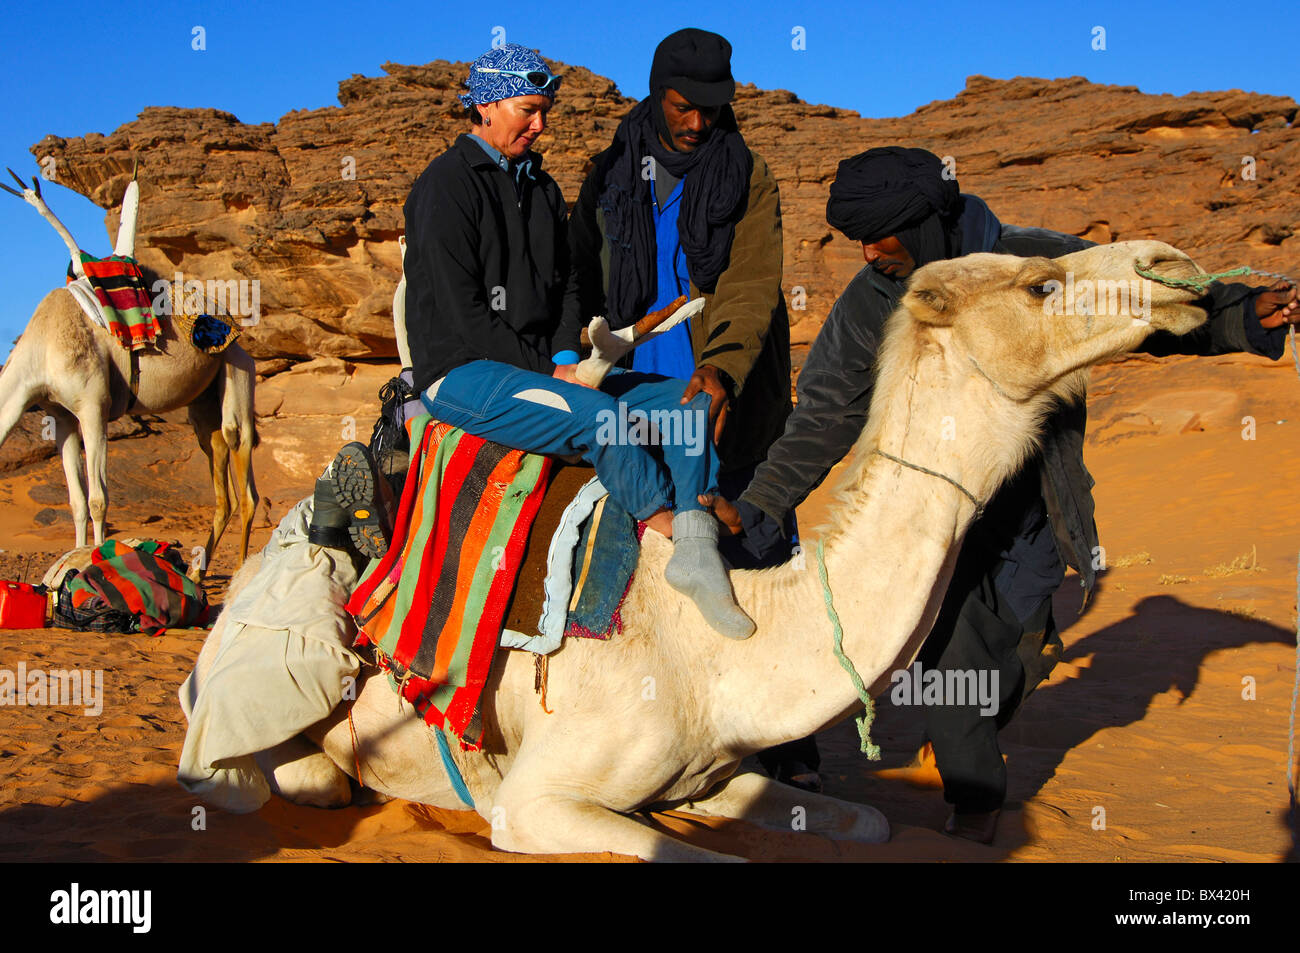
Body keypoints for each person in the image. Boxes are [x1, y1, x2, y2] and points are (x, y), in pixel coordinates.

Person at [706, 146, 1300, 840]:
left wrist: (1244, 316)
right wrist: (761, 503)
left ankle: (971, 731)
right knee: (958, 675)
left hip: (1035, 513)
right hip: (935, 524)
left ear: (927, 220)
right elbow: (826, 412)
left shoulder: (1031, 266)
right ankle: (974, 809)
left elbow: (1133, 303)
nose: (868, 252)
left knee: (1022, 653)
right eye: (857, 238)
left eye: (880, 233)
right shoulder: (874, 300)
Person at [397, 42, 754, 641]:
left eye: (545, 112)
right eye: (527, 110)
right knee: (606, 420)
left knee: (690, 401)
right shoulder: (445, 188)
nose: (540, 126)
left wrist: (567, 356)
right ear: (485, 107)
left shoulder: (539, 189)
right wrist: (547, 370)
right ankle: (662, 522)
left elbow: (566, 289)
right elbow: (463, 316)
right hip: (465, 373)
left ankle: (694, 546)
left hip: (542, 366)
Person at [565, 27, 817, 789]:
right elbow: (580, 274)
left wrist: (722, 368)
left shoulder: (748, 175)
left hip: (721, 394)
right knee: (648, 551)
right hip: (636, 388)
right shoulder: (611, 172)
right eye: (682, 107)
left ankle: (786, 741)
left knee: (750, 551)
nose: (697, 123)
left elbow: (748, 284)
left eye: (712, 109)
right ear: (656, 93)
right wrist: (580, 351)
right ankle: (666, 728)